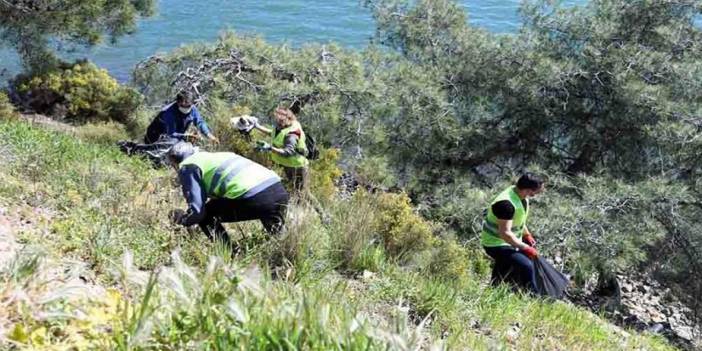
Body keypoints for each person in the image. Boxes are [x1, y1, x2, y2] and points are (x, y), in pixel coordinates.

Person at [167, 142, 289, 247]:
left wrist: (183, 221)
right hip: (278, 190)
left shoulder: (188, 166)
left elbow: (198, 212)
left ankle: (228, 254)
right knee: (279, 236)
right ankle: (287, 256)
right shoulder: (213, 156)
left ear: (175, 163)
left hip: (256, 197)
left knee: (206, 216)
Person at [237, 107, 328, 222]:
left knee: (304, 193)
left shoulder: (292, 134)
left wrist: (269, 148)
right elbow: (273, 133)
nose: (277, 123)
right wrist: (257, 126)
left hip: (297, 167)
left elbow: (287, 152)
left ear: (287, 120)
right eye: (277, 120)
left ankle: (322, 216)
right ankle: (297, 213)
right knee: (294, 190)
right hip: (288, 166)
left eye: (280, 121)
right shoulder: (281, 127)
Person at [481, 173, 545, 293]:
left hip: (508, 241)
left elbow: (517, 220)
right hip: (495, 244)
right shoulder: (506, 204)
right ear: (527, 190)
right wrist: (525, 247)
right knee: (527, 266)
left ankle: (494, 290)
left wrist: (527, 234)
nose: (535, 195)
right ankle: (534, 298)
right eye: (535, 192)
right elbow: (505, 233)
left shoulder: (520, 195)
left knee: (504, 268)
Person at [144, 91, 219, 144]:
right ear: (178, 102)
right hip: (155, 137)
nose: (186, 107)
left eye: (188, 105)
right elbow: (171, 134)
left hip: (177, 136)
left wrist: (209, 135)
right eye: (183, 105)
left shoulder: (192, 108)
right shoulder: (168, 113)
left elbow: (199, 122)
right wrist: (187, 137)